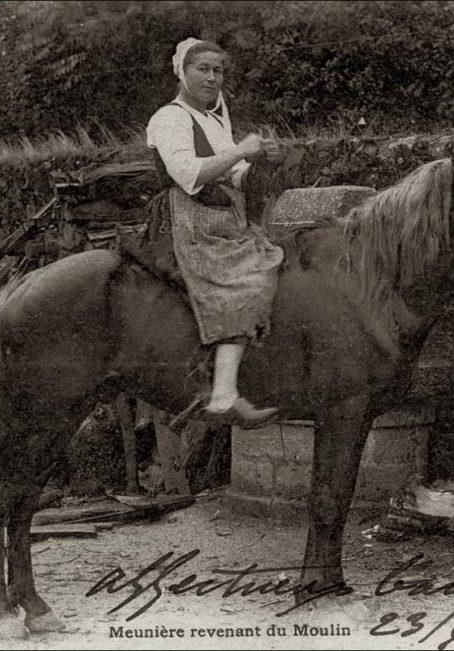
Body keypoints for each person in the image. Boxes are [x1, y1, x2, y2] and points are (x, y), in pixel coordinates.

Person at [145, 37, 284, 429]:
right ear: (182, 73)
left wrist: (260, 162)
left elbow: (237, 178)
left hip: (224, 218)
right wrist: (240, 151)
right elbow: (190, 174)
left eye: (218, 70)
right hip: (190, 221)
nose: (211, 77)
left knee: (274, 259)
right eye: (202, 69)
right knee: (243, 283)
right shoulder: (169, 118)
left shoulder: (215, 119)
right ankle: (224, 396)